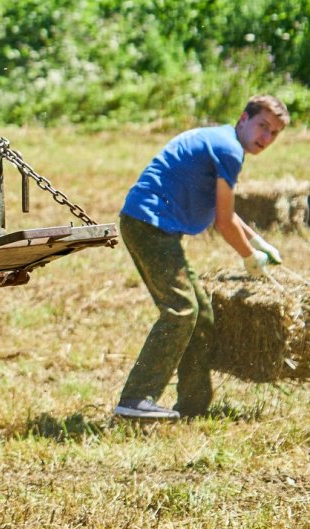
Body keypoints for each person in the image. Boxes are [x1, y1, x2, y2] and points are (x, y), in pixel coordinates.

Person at [114, 94, 290, 421]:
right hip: (149, 223)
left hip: (148, 223)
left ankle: (193, 407)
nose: (265, 138)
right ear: (243, 118)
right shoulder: (229, 150)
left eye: (274, 133)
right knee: (181, 310)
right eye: (262, 126)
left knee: (201, 312)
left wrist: (259, 242)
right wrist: (250, 258)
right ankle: (136, 398)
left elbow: (226, 212)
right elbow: (223, 222)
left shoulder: (221, 139)